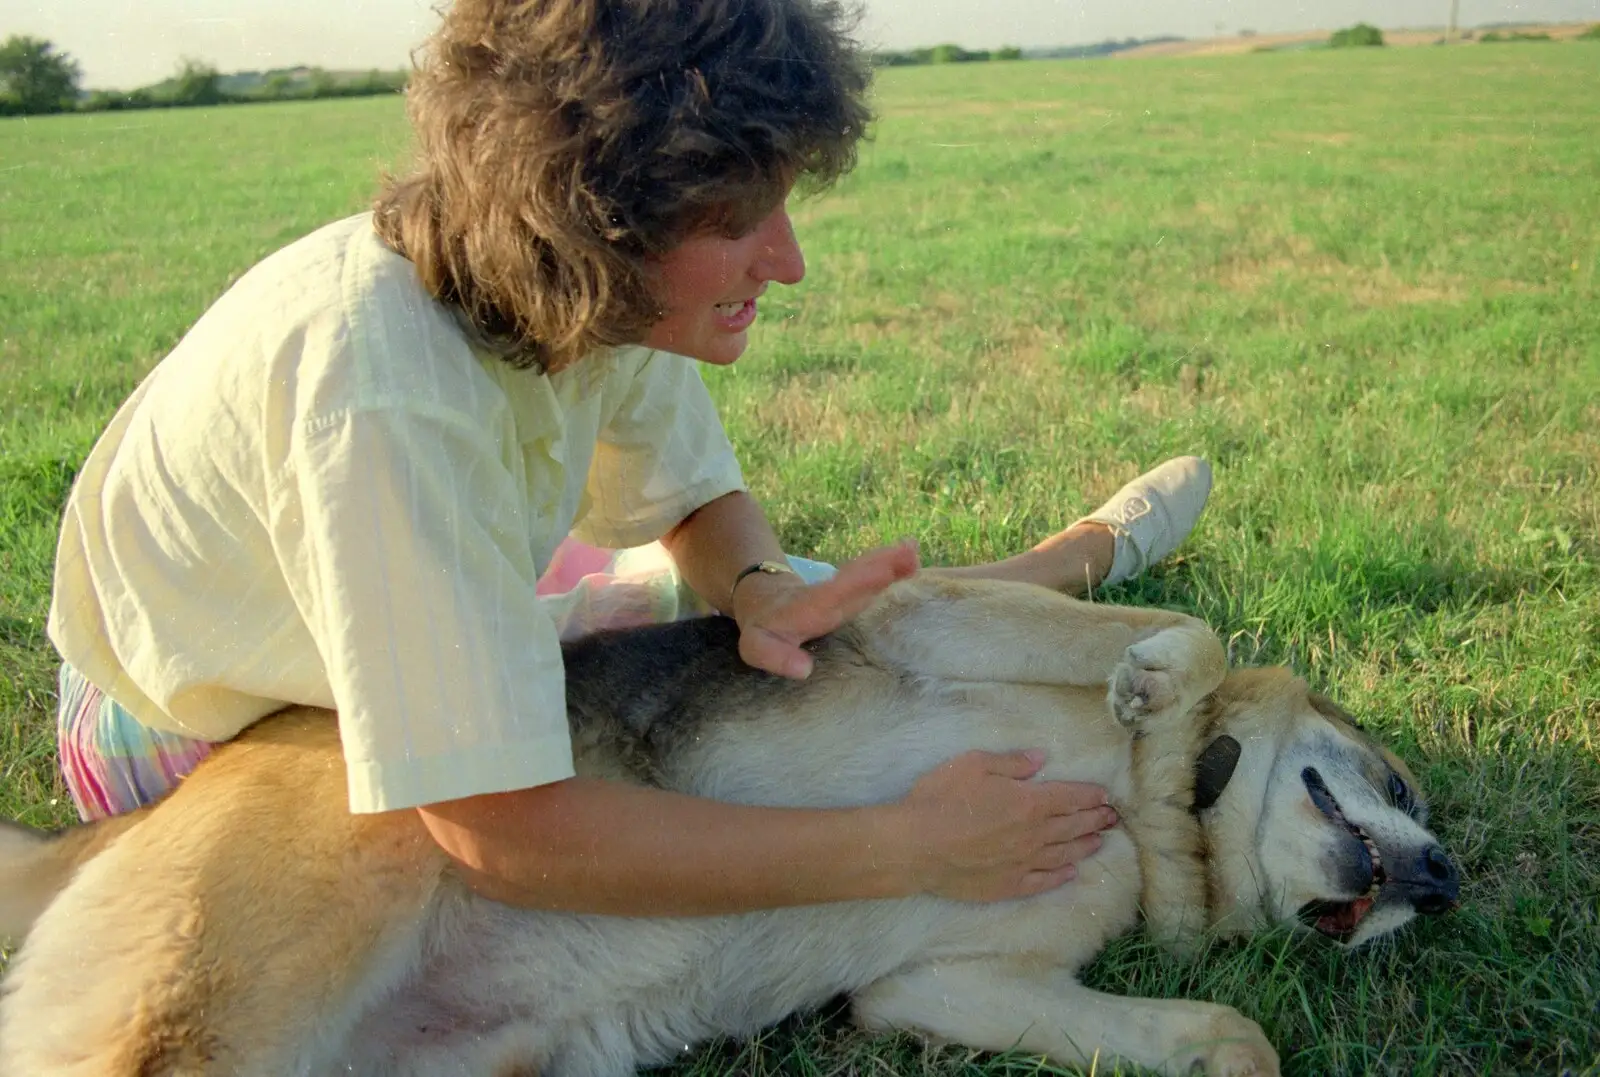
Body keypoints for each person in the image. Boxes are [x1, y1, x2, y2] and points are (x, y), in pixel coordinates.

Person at [46, 0, 1213, 915]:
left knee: (770, 605)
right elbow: (501, 833)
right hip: (182, 724)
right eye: (737, 219)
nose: (789, 261)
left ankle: (1062, 562)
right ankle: (1063, 566)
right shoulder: (382, 397)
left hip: (352, 605)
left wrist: (758, 593)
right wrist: (904, 852)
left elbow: (695, 498)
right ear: (591, 211)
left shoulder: (578, 288)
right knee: (582, 810)